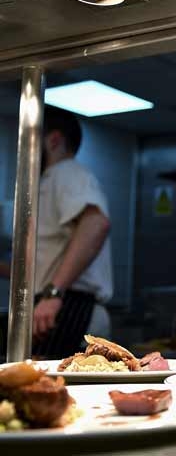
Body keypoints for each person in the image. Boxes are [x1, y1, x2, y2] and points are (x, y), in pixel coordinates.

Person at [1, 105, 113, 359]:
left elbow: (96, 224)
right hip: (56, 304)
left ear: (53, 140)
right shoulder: (50, 180)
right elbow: (43, 263)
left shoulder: (68, 172)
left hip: (69, 306)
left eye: (31, 141)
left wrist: (53, 293)